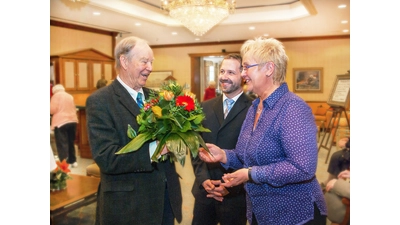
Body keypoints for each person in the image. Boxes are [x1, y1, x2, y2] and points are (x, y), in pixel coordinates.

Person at [198, 37, 327, 225]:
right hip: (262, 213)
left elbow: (303, 168)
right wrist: (224, 155)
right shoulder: (255, 106)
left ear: (269, 68)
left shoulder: (293, 108)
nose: (243, 74)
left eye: (247, 67)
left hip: (295, 214)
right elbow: (245, 156)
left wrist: (250, 174)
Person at [86, 36, 182, 225]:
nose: (150, 68)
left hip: (164, 200)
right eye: (144, 61)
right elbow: (107, 158)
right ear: (124, 61)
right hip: (128, 208)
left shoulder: (156, 97)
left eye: (151, 62)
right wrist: (156, 149)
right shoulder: (100, 101)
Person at [191, 53, 252, 225]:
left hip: (235, 196)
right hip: (205, 192)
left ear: (243, 75)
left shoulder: (254, 109)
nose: (224, 77)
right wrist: (203, 180)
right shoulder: (204, 107)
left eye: (231, 73)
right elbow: (195, 146)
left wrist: (231, 187)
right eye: (222, 71)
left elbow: (252, 155)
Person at [50, 84, 79, 167]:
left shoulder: (55, 96)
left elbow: (52, 110)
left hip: (61, 122)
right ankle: (73, 161)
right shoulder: (70, 96)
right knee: (71, 142)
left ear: (54, 91)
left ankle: (65, 164)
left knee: (62, 144)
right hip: (73, 121)